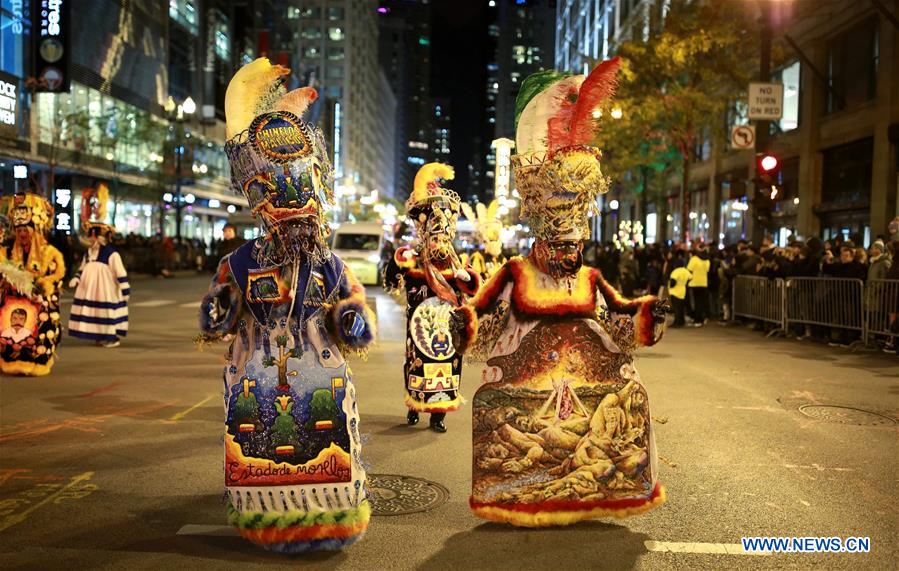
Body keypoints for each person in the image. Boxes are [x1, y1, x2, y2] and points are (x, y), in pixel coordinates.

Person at [467, 59, 669, 527]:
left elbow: (619, 315)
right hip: (527, 389)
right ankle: (520, 492)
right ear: (540, 238)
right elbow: (482, 315)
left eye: (575, 244)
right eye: (560, 244)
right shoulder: (515, 273)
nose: (568, 252)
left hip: (583, 386)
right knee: (527, 438)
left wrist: (648, 313)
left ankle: (586, 492)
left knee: (624, 402)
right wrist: (463, 323)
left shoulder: (590, 278)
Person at [198, 58, 376, 553]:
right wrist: (219, 313)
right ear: (260, 204)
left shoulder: (328, 262)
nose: (298, 220)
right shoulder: (240, 261)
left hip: (320, 367)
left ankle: (329, 520)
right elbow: (219, 312)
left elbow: (351, 309)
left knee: (326, 443)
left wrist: (352, 319)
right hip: (256, 370)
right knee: (257, 446)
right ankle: (266, 520)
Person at [383, 163, 480, 433]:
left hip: (447, 328)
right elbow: (391, 279)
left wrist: (465, 277)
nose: (438, 244)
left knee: (447, 368)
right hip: (419, 327)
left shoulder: (455, 263)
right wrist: (397, 263)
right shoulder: (412, 260)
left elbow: (473, 286)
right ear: (425, 237)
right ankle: (414, 405)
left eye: (442, 239)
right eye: (433, 239)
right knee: (416, 365)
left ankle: (439, 416)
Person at [0, 193, 65, 376]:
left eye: (25, 230)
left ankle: (38, 363)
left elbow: (57, 275)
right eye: (18, 230)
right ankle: (13, 362)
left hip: (39, 301)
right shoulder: (8, 252)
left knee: (44, 323)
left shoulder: (49, 252)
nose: (21, 234)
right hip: (16, 301)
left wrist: (44, 285)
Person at [68, 220, 130, 348]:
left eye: (93, 235)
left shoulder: (111, 253)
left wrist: (125, 288)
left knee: (106, 311)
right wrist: (77, 278)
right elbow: (82, 268)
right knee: (94, 312)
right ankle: (100, 335)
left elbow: (120, 271)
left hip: (105, 289)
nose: (90, 238)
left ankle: (112, 337)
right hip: (89, 289)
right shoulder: (88, 253)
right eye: (90, 235)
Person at [461, 199, 507, 280]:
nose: (495, 243)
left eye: (496, 239)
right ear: (485, 241)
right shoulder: (478, 257)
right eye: (491, 240)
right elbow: (477, 280)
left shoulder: (502, 258)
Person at [686, 246, 710, 326]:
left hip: (694, 283)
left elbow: (689, 269)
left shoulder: (694, 259)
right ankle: (701, 319)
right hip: (704, 283)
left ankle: (697, 320)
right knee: (701, 302)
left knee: (696, 302)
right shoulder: (707, 260)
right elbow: (707, 270)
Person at [668, 259, 692, 327]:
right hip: (683, 290)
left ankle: (677, 322)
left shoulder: (675, 271)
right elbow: (691, 277)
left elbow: (673, 281)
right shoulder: (685, 271)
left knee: (676, 308)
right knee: (681, 307)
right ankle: (682, 321)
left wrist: (670, 286)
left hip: (675, 291)